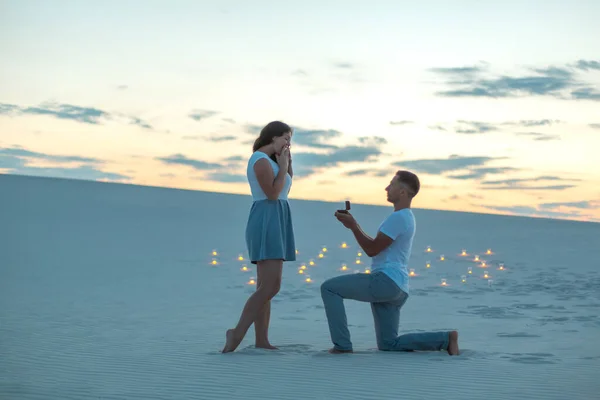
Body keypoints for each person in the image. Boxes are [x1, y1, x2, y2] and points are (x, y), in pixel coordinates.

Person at [320, 170, 460, 355]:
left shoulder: (399, 217)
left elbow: (372, 249)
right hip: (398, 287)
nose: (387, 188)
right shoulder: (407, 217)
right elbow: (377, 246)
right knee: (389, 343)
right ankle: (445, 339)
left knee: (329, 288)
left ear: (402, 192)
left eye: (392, 184)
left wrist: (353, 226)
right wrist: (353, 225)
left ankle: (342, 345)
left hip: (385, 281)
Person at [222, 121, 295, 353]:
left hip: (278, 216)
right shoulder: (259, 160)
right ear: (272, 137)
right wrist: (282, 166)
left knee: (266, 285)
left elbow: (284, 188)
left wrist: (286, 163)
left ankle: (261, 340)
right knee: (271, 286)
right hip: (267, 217)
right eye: (285, 138)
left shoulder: (273, 161)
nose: (288, 143)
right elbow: (272, 194)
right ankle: (237, 333)